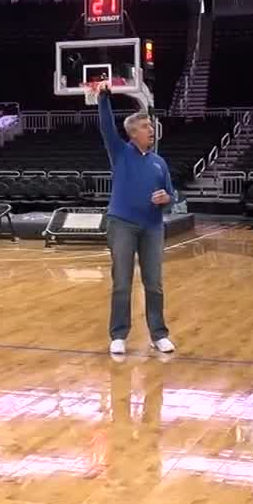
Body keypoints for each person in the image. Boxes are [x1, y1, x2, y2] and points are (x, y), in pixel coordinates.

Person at [95, 83, 175, 356]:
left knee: (154, 283)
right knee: (122, 282)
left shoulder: (159, 162)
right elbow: (106, 125)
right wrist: (104, 96)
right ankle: (119, 335)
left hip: (153, 227)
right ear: (132, 133)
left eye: (150, 127)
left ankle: (158, 334)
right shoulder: (119, 153)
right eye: (145, 126)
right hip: (122, 225)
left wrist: (167, 198)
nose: (151, 130)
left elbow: (172, 194)